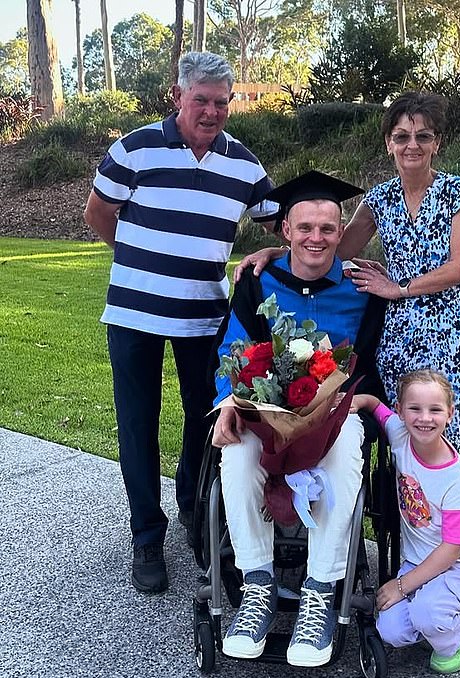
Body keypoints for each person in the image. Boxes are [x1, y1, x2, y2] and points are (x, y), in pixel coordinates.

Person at [83, 51, 278, 594]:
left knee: (207, 417)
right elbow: (98, 212)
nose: (212, 111)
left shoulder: (243, 164)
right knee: (138, 424)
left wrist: (269, 255)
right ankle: (146, 534)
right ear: (177, 97)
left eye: (222, 102)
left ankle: (194, 504)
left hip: (203, 314)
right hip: (133, 312)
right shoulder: (135, 147)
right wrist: (134, 260)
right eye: (201, 101)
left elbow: (281, 222)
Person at [236, 91, 460, 454]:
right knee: (401, 425)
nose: (412, 146)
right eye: (401, 136)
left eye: (423, 136)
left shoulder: (453, 191)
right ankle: (400, 508)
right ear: (389, 143)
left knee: (437, 423)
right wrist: (284, 247)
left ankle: (442, 503)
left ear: (437, 143)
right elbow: (332, 247)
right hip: (399, 330)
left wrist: (399, 287)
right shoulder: (380, 198)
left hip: (448, 326)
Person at [212, 171, 385, 668]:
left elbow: (371, 360)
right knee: (238, 451)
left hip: (336, 409)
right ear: (285, 229)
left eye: (328, 229)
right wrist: (229, 401)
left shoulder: (361, 289)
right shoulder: (257, 281)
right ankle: (257, 586)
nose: (316, 238)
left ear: (340, 233)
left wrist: (351, 400)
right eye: (305, 226)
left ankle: (318, 591)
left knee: (345, 454)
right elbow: (233, 349)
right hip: (264, 409)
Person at [351, 369, 460, 674]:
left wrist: (402, 586)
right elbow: (377, 407)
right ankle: (435, 616)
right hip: (418, 560)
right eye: (414, 408)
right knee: (390, 630)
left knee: (428, 616)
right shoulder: (400, 435)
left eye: (435, 410)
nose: (424, 418)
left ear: (450, 414)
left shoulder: (456, 476)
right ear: (401, 411)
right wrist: (359, 400)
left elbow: (453, 548)